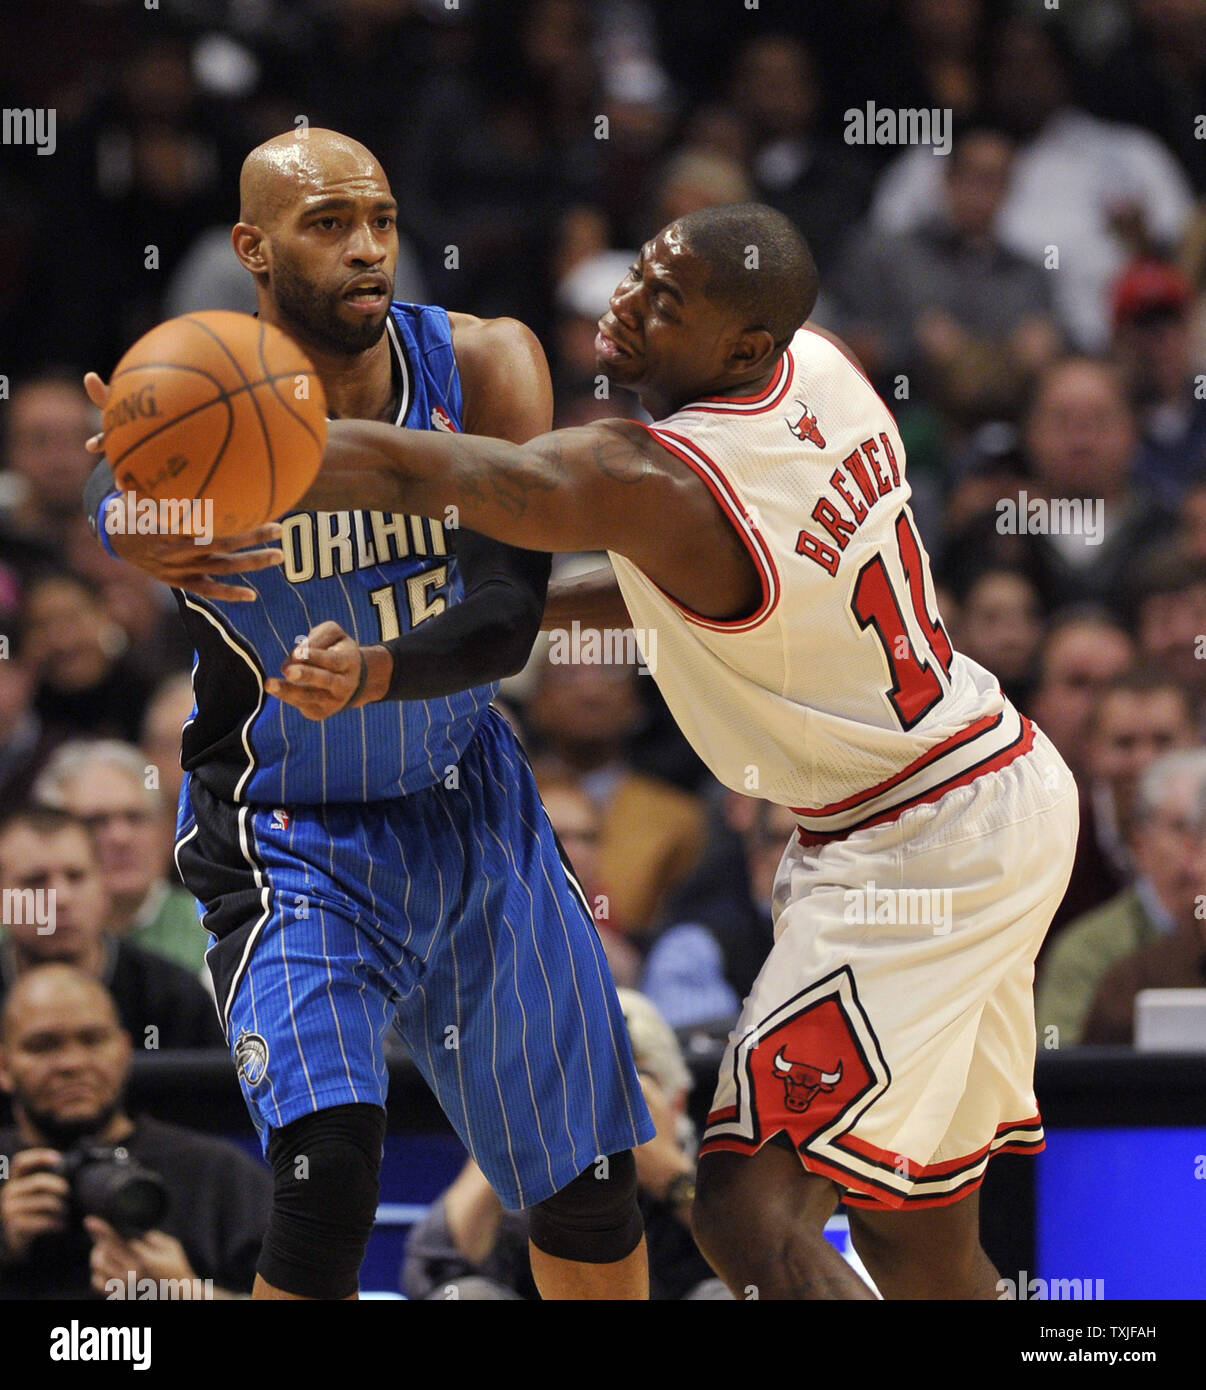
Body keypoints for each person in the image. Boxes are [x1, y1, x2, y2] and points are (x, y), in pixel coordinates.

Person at [281, 201, 1080, 1299]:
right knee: (911, 1233)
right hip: (994, 785)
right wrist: (403, 657)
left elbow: (434, 474)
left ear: (741, 345)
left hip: (918, 844)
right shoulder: (820, 371)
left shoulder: (652, 475)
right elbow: (685, 581)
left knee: (746, 1211)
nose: (627, 303)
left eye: (665, 302)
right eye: (640, 273)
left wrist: (229, 440)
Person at [83, 128, 652, 1301]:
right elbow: (116, 498)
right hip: (289, 824)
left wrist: (381, 670)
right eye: (327, 224)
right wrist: (137, 522)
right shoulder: (199, 394)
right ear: (252, 247)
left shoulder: (488, 363)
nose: (367, 250)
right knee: (329, 1174)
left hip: (469, 801)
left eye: (381, 221)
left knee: (590, 1188)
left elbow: (505, 609)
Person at [0, 964, 269, 1298]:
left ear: (124, 1050)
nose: (71, 1062)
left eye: (92, 1040)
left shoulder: (217, 1174)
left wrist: (187, 1293)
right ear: (4, 1066)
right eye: (44, 1046)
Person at [0, 807, 223, 1051]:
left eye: (76, 877)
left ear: (103, 886)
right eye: (35, 881)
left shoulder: (176, 999)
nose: (60, 898)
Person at [1037, 749, 1206, 1048]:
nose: (1196, 848)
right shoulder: (1086, 951)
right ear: (1139, 842)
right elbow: (1058, 1067)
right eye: (1182, 828)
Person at [33, 740, 207, 974]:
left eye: (135, 817)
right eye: (95, 821)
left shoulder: (215, 925)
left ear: (165, 830)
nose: (120, 837)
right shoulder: (20, 932)